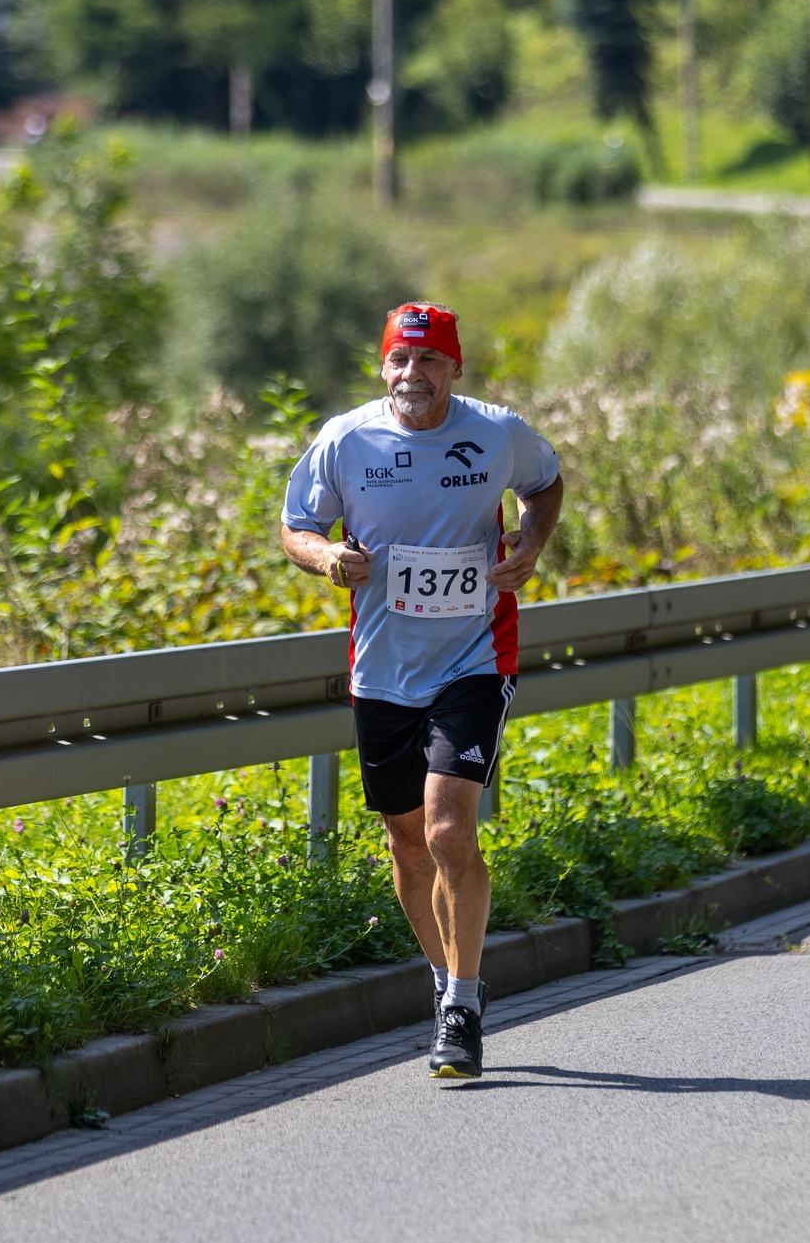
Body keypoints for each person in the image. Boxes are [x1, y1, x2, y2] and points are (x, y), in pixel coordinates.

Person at [280, 302, 564, 1080]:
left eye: (430, 360)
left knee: (447, 830)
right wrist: (325, 556)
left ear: (455, 369)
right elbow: (295, 525)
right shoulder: (346, 440)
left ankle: (463, 1008)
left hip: (475, 657)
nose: (414, 374)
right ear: (383, 367)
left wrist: (532, 544)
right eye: (401, 360)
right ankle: (445, 980)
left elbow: (546, 483)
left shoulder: (496, 432)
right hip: (382, 669)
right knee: (406, 840)